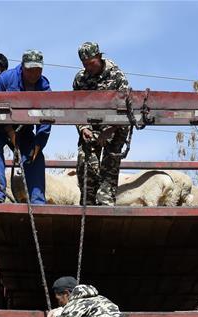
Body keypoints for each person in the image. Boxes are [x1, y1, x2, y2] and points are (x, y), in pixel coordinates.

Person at [0, 50, 52, 204]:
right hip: (0, 127)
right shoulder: (5, 79)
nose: (34, 73)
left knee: (35, 157)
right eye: (30, 69)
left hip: (25, 130)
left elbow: (47, 116)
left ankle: (37, 201)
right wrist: (10, 131)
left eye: (38, 69)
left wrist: (39, 143)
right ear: (22, 67)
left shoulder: (44, 86)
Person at [72, 42, 130, 206]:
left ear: (99, 57)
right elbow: (75, 107)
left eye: (91, 63)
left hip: (115, 126)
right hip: (91, 126)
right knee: (86, 162)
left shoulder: (117, 76)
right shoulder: (80, 79)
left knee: (109, 163)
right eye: (85, 64)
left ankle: (105, 201)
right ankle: (88, 201)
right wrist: (83, 127)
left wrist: (110, 130)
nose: (88, 67)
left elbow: (125, 108)